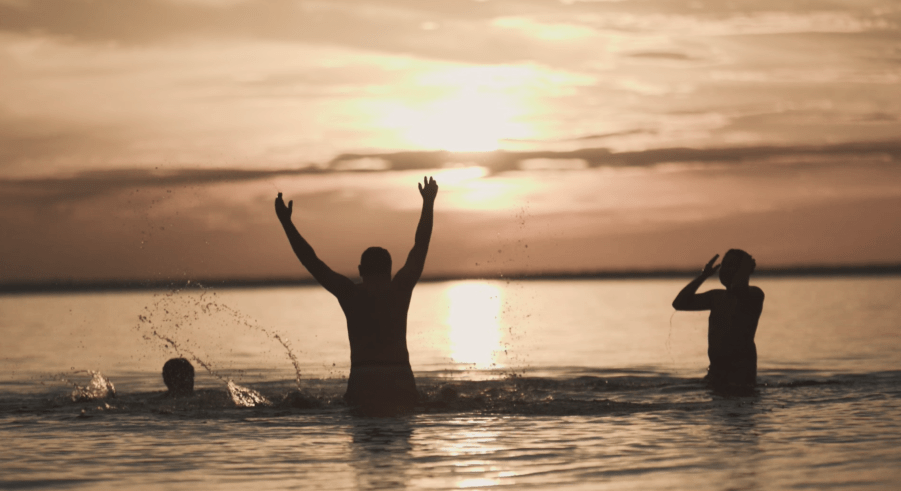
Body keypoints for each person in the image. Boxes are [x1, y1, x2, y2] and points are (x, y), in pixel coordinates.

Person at [275, 177, 438, 413]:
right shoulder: (400, 289)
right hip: (400, 378)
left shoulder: (350, 293)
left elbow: (311, 261)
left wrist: (286, 223)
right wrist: (428, 203)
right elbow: (420, 246)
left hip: (363, 380)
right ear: (390, 270)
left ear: (360, 270)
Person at [672, 250, 764, 388]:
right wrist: (704, 276)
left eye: (730, 265)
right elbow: (679, 303)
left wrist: (743, 270)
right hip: (716, 374)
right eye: (724, 265)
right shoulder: (716, 297)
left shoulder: (754, 295)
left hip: (741, 376)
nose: (724, 270)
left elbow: (739, 291)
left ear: (743, 270)